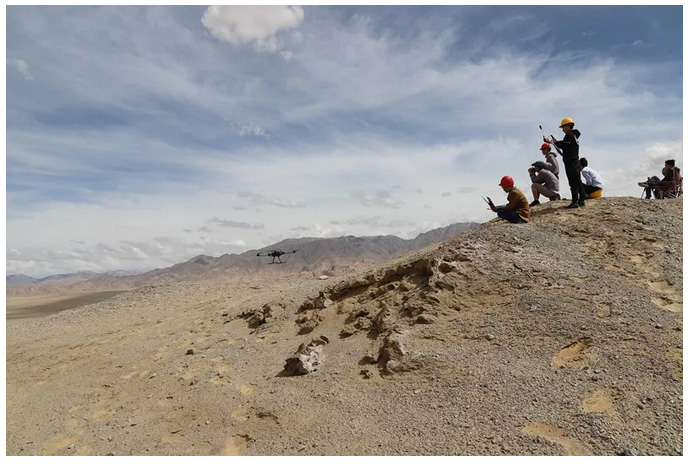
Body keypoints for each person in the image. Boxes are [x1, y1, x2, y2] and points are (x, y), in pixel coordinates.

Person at [545, 117, 585, 208]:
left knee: (573, 182)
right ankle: (581, 199)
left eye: (563, 127)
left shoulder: (569, 135)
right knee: (577, 181)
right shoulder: (574, 135)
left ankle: (575, 202)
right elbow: (565, 144)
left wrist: (553, 142)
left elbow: (564, 145)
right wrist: (555, 142)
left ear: (568, 126)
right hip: (575, 161)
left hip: (570, 162)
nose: (562, 129)